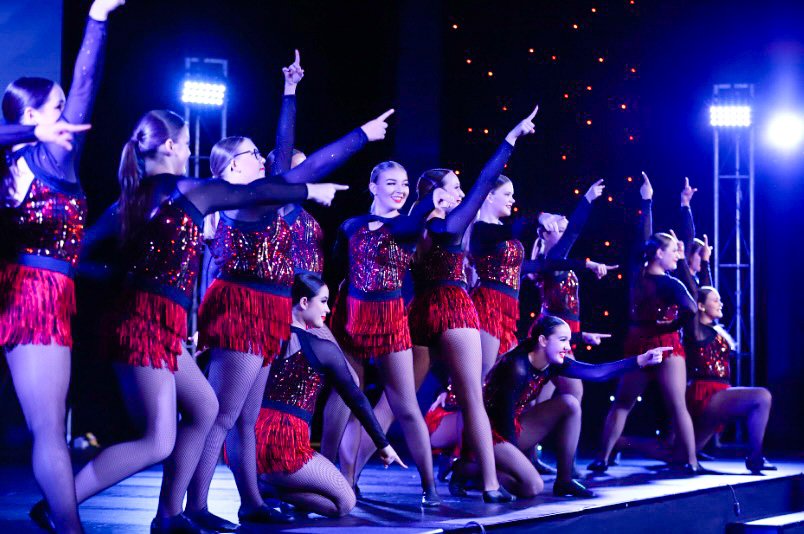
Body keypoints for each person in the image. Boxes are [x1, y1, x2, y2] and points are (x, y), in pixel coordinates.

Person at [66, 107, 357, 533]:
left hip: (187, 321)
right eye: (186, 144)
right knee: (165, 437)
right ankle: (69, 502)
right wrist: (315, 180)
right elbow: (81, 254)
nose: (190, 153)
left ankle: (176, 513)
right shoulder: (192, 193)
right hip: (178, 319)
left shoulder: (178, 196)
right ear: (171, 146)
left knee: (208, 408)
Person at [344, 106, 539, 503]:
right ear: (438, 192)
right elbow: (485, 183)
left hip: (418, 312)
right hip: (452, 308)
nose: (462, 194)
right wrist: (510, 140)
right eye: (455, 188)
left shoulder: (408, 227)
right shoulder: (447, 225)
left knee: (392, 403)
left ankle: (349, 475)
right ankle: (489, 484)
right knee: (472, 398)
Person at [0, 2, 125, 531]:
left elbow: (83, 89)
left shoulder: (53, 156)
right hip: (31, 298)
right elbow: (85, 85)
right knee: (50, 430)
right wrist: (96, 19)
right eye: (56, 109)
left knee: (46, 427)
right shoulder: (38, 155)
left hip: (36, 295)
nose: (67, 116)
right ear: (31, 117)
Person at [329, 160, 451, 506]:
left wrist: (430, 199)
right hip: (352, 317)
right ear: (373, 187)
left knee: (405, 405)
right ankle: (342, 480)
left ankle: (429, 487)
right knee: (347, 399)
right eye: (391, 183)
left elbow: (407, 225)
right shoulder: (351, 225)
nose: (400, 190)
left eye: (405, 184)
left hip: (390, 319)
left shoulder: (407, 226)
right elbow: (338, 270)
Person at [442, 316, 667, 498]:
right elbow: (502, 419)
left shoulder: (552, 363)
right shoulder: (516, 367)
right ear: (543, 340)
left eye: (568, 341)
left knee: (570, 404)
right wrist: (516, 462)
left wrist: (640, 360)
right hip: (487, 435)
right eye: (562, 340)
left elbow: (596, 373)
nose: (567, 347)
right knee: (532, 487)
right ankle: (468, 469)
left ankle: (564, 480)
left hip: (511, 426)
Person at [255, 274, 405, 518]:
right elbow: (355, 398)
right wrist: (384, 445)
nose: (327, 309)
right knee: (345, 502)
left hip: (250, 443)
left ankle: (264, 484)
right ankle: (270, 488)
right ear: (304, 302)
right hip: (285, 447)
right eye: (323, 301)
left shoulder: (262, 336)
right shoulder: (323, 348)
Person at [590, 172, 701, 474]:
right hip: (640, 343)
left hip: (664, 345)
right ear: (658, 253)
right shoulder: (640, 273)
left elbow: (691, 308)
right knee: (623, 401)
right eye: (673, 252)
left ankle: (691, 460)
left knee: (675, 404)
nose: (678, 256)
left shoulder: (670, 282)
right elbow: (644, 237)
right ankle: (603, 456)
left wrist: (669, 328)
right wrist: (647, 201)